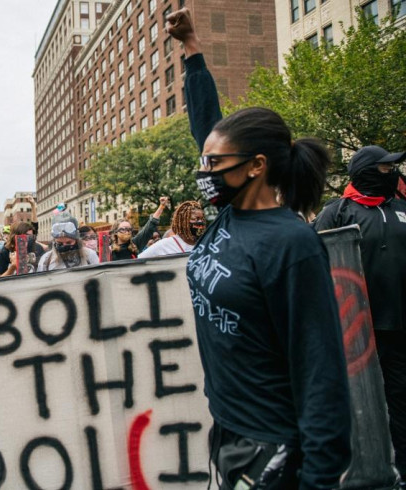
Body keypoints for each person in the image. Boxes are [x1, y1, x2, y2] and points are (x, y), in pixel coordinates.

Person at [167, 8, 351, 489]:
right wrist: (191, 49)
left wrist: (319, 477)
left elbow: (322, 372)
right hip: (229, 425)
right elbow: (206, 122)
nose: (203, 172)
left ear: (255, 166)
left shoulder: (291, 244)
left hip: (272, 448)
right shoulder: (231, 210)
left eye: (213, 163)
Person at [313, 145, 406, 481]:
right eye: (384, 168)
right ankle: (358, 467)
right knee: (358, 399)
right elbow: (314, 261)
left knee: (401, 397)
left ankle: (403, 468)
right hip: (355, 329)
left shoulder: (401, 207)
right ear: (365, 170)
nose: (391, 173)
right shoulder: (337, 211)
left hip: (399, 325)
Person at [139, 201, 206, 258]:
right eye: (195, 219)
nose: (200, 222)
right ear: (183, 221)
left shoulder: (205, 244)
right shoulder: (164, 245)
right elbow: (138, 262)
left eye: (201, 219)